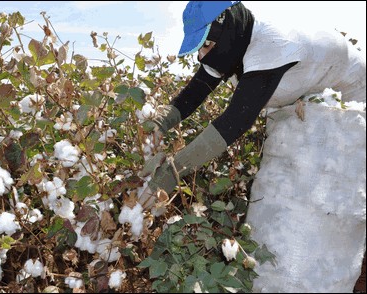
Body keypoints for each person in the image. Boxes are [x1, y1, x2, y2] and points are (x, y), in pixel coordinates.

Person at [137, 1, 366, 209]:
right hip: (303, 96)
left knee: (337, 189)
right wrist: (161, 122)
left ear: (225, 33)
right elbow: (196, 91)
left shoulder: (270, 45)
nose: (200, 57)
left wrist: (173, 171)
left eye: (205, 45)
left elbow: (236, 120)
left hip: (349, 91)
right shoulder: (234, 43)